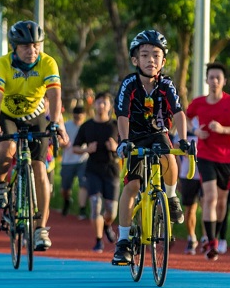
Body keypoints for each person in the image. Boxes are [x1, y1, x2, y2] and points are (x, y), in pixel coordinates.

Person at [0, 20, 70, 252]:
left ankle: (40, 228)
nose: (32, 50)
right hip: (7, 115)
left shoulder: (47, 63)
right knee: (6, 150)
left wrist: (55, 123)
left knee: (39, 169)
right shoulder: (1, 65)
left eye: (36, 45)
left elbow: (54, 95)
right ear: (14, 47)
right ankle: (0, 185)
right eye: (25, 46)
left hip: (35, 116)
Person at [112, 29, 189, 266]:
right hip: (133, 137)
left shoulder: (167, 84)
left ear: (163, 61)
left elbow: (178, 112)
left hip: (158, 134)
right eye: (145, 55)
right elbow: (122, 114)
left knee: (168, 156)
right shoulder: (129, 83)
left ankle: (172, 196)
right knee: (132, 186)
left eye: (156, 55)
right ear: (135, 60)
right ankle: (124, 242)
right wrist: (124, 142)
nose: (150, 60)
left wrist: (183, 139)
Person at [186, 62, 230, 260]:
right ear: (206, 80)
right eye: (211, 77)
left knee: (222, 203)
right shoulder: (198, 103)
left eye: (218, 78)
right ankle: (211, 242)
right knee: (210, 196)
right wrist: (195, 131)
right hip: (205, 156)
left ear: (224, 82)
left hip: (227, 158)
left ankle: (214, 237)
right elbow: (186, 119)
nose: (214, 81)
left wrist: (224, 130)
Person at [72, 92, 120, 253]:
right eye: (98, 102)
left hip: (112, 170)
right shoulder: (87, 126)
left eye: (104, 103)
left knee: (111, 210)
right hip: (93, 169)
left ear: (110, 106)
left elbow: (126, 149)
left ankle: (107, 225)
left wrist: (116, 148)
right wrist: (87, 149)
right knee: (95, 205)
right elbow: (75, 147)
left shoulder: (116, 125)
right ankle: (98, 240)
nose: (101, 106)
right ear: (94, 105)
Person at [176, 123, 202, 254]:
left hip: (205, 172)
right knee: (190, 208)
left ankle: (207, 238)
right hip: (188, 174)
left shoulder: (209, 122)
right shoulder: (185, 126)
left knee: (207, 206)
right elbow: (175, 146)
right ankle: (192, 237)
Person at [60, 104, 89, 218]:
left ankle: (82, 209)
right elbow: (60, 142)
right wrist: (63, 144)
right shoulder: (66, 126)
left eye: (80, 115)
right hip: (68, 160)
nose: (78, 117)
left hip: (83, 160)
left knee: (84, 184)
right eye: (76, 115)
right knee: (65, 188)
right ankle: (67, 201)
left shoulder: (87, 126)